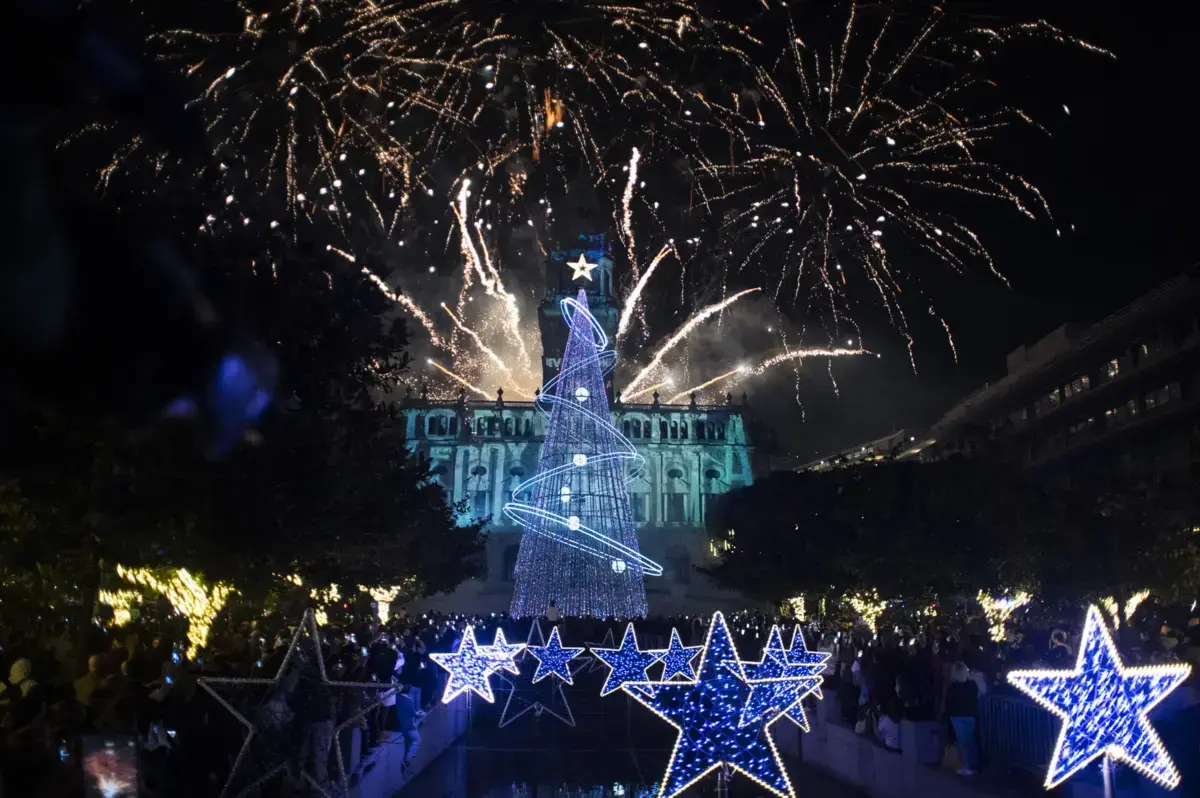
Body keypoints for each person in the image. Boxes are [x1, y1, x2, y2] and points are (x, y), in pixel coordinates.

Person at [945, 661, 980, 776]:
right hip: (970, 715)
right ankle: (971, 764)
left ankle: (967, 766)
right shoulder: (972, 685)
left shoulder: (952, 687)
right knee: (969, 742)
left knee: (962, 742)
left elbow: (948, 703)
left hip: (957, 716)